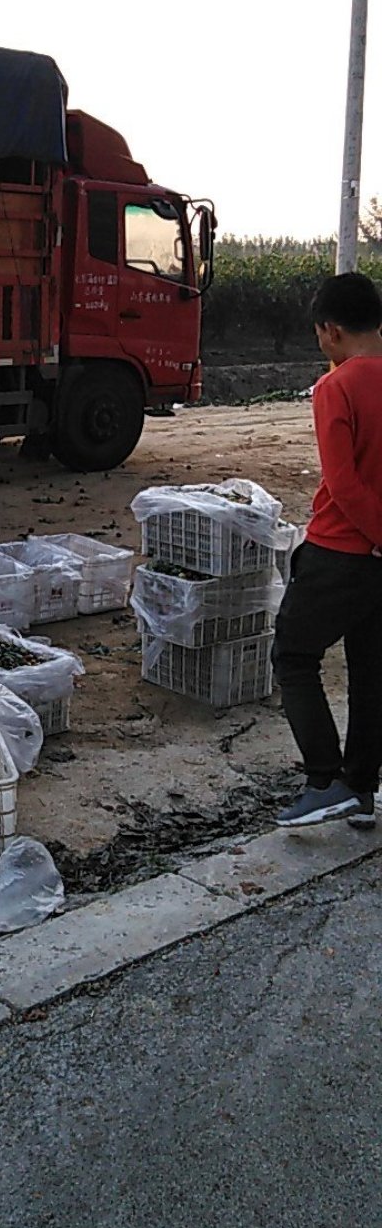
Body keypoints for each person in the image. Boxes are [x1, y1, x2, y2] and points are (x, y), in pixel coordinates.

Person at [275, 271, 382, 829]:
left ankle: (324, 779)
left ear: (332, 331)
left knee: (294, 656)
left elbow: (341, 484)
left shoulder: (335, 387)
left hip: (339, 549)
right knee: (371, 669)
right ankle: (362, 789)